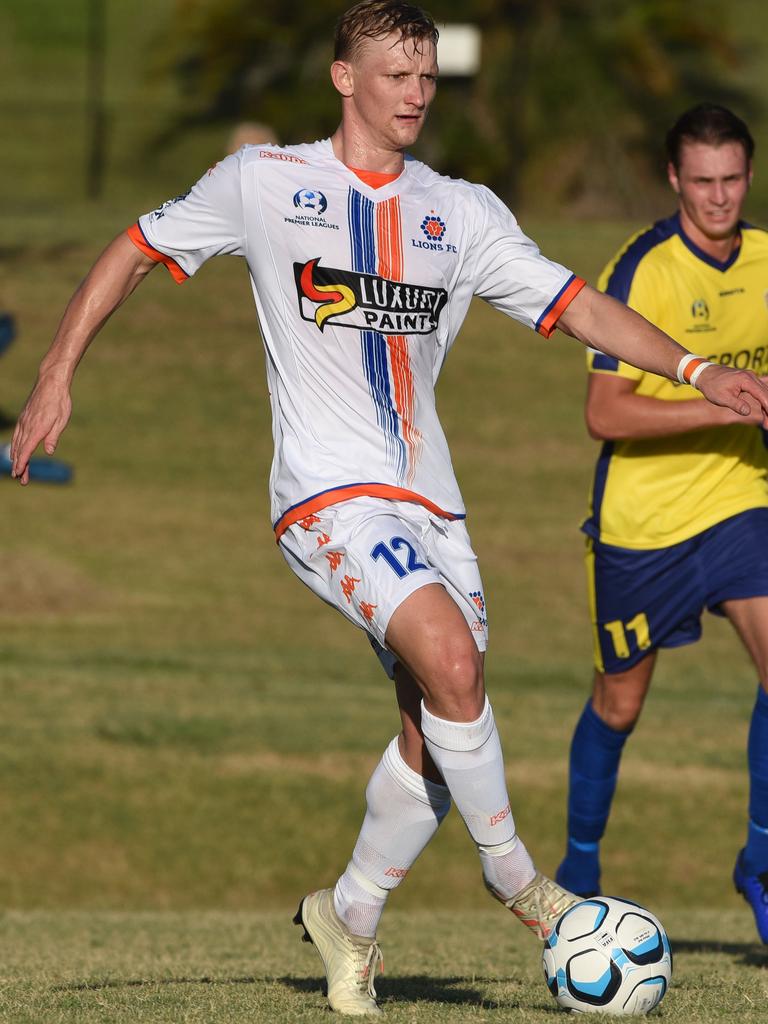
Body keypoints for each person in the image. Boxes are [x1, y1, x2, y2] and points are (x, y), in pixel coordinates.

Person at [11, 6, 768, 1012]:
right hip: (326, 497)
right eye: (395, 74)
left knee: (437, 730)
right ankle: (532, 893)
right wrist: (57, 371)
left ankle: (349, 918)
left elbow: (576, 303)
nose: (415, 93)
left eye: (427, 77)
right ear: (342, 77)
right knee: (453, 665)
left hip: (434, 507)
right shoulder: (264, 184)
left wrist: (694, 368)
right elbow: (136, 247)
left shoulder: (463, 211)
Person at [555, 103, 768, 945]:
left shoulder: (767, 260)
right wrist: (724, 405)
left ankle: (759, 861)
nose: (718, 198)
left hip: (742, 503)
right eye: (702, 181)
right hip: (643, 524)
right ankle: (576, 875)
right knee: (619, 703)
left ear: (748, 177)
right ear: (674, 179)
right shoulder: (640, 268)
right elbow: (605, 415)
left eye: (733, 179)